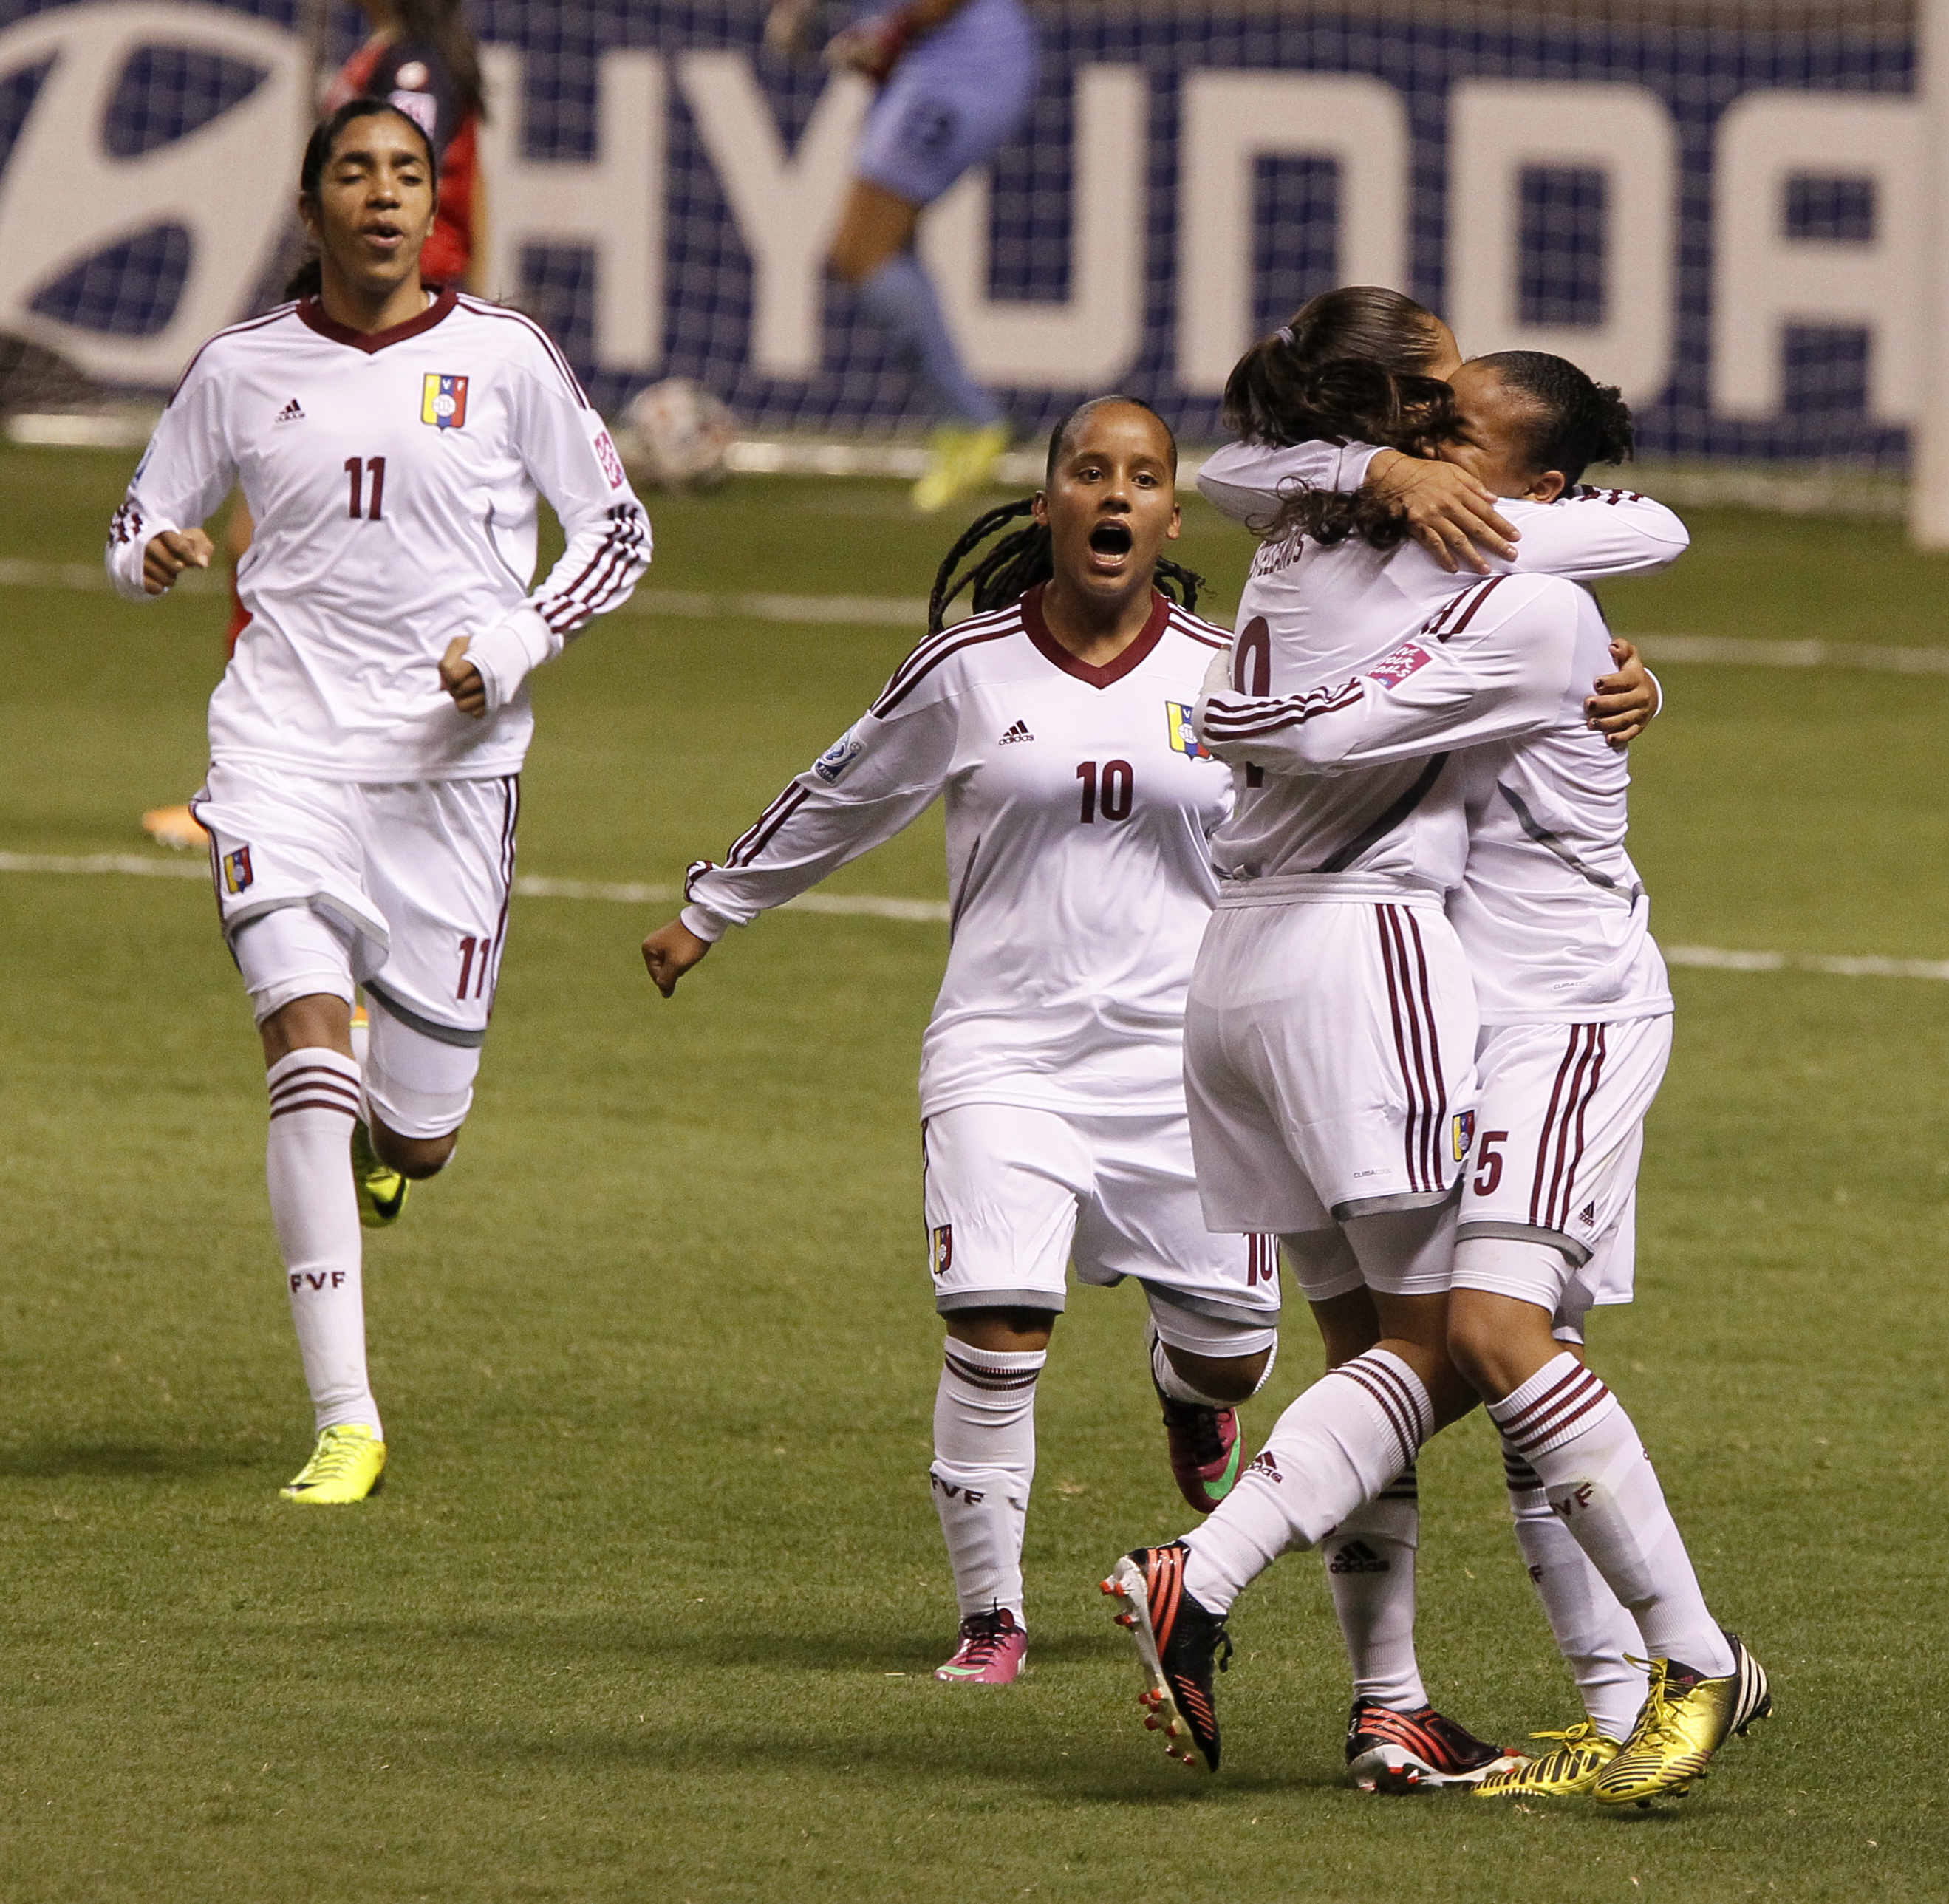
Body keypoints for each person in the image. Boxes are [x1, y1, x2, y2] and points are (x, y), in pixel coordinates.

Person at [1102, 347, 1769, 1809]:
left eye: (1448, 427)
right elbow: (1257, 474)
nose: (1413, 437)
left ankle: (1689, 1659)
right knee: (1458, 1353)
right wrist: (1367, 476)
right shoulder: (1429, 562)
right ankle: (1564, 1703)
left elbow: (1336, 728)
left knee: (1486, 1334)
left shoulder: (1532, 611)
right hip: (1456, 1017)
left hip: (1563, 1020)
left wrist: (1221, 715)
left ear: (1527, 487)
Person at [642, 397, 1282, 1685]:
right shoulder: (970, 668)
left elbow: (1347, 791)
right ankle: (992, 1617)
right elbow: (847, 784)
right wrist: (713, 908)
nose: (1114, 495)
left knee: (1238, 1345)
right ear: (1048, 504)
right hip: (1007, 1047)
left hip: (1183, 1066)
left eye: (1143, 476)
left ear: (1170, 513)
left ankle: (1189, 1385)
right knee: (995, 1326)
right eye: (1088, 472)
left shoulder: (1227, 671)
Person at [106, 98, 652, 1504]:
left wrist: (515, 643)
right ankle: (346, 1416)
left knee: (421, 1132)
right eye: (355, 172)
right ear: (314, 208)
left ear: (432, 207)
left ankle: (387, 1146)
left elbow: (618, 530)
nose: (384, 194)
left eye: (407, 173)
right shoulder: (240, 368)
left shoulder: (505, 355)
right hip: (278, 752)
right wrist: (153, 553)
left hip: (451, 781)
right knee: (301, 1049)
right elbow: (135, 514)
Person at [141, 0, 489, 853]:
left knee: (272, 542)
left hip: (387, 328)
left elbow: (400, 206)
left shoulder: (409, 68)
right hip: (378, 319)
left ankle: (262, 787)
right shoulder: (405, 57)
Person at [765, 0, 1037, 512]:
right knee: (874, 250)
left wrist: (890, 32)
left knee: (861, 250)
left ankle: (973, 423)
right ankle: (963, 424)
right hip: (941, 63)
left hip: (967, 64)